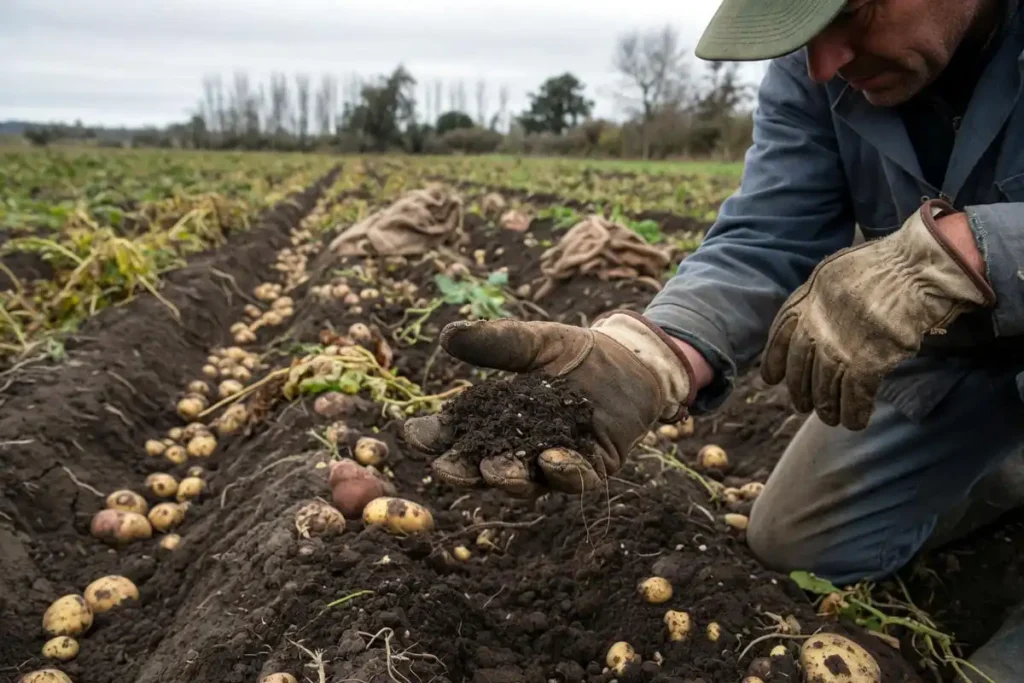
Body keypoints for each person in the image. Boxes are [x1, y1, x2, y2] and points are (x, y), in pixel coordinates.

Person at [405, 0, 1024, 678]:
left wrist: (975, 251)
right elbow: (769, 233)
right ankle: (1004, 475)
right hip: (962, 359)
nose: (824, 64)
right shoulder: (817, 65)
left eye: (850, 14)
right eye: (804, 37)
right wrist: (651, 354)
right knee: (797, 541)